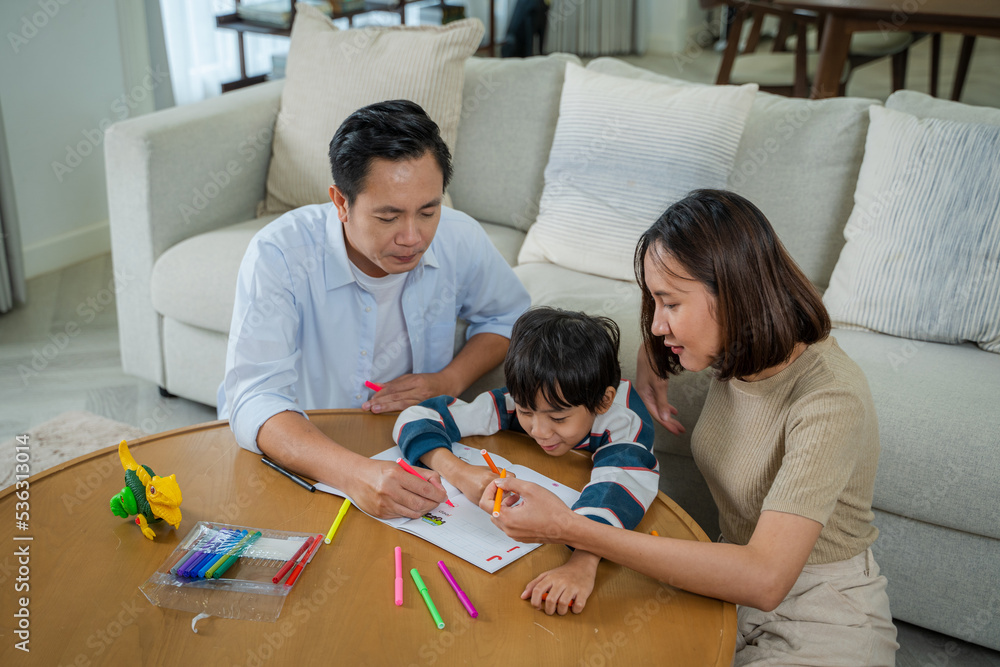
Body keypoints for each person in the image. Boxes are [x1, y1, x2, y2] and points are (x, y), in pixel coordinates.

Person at [481, 190, 898, 664]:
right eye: (653, 303)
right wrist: (653, 356)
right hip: (726, 591)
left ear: (736, 292)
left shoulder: (829, 399)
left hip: (822, 611)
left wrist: (568, 526)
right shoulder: (738, 351)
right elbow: (662, 334)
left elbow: (765, 578)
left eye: (669, 304)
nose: (657, 325)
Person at [218, 100, 531, 520]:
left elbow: (508, 318)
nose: (412, 237)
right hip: (310, 451)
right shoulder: (280, 253)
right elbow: (254, 396)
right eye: (388, 216)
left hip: (419, 444)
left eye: (428, 211)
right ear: (341, 202)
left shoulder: (459, 237)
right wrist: (353, 473)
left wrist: (449, 378)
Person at [393, 307, 659, 615]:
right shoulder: (531, 398)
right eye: (525, 412)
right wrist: (459, 471)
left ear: (603, 401)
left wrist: (582, 563)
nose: (539, 431)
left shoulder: (625, 422)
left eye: (558, 418)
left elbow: (620, 488)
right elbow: (417, 416)